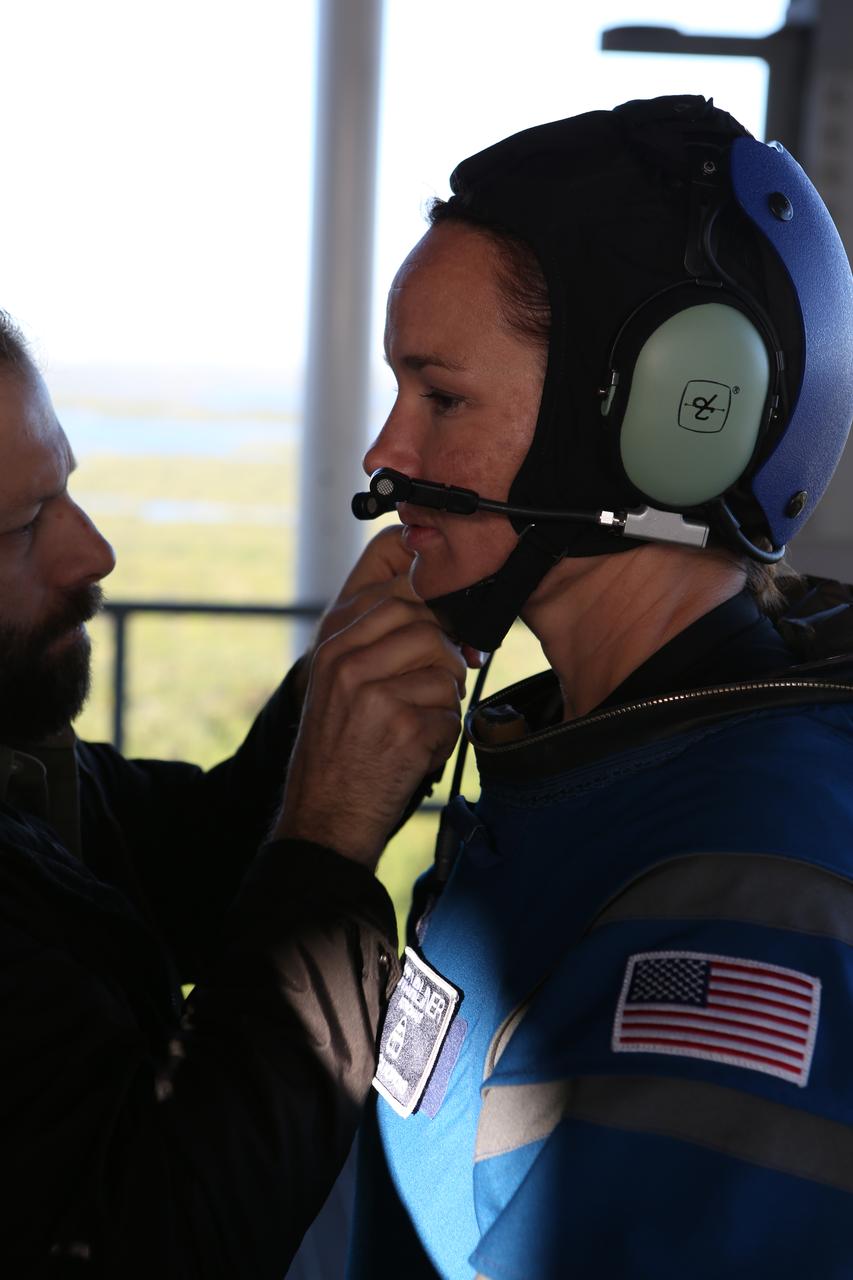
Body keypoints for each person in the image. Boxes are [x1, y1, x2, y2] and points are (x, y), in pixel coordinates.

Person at [308, 96, 853, 1277]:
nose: (385, 454)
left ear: (668, 426)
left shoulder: (743, 884)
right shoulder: (585, 760)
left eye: (440, 396)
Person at [0, 314, 469, 1276]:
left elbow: (174, 865)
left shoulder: (21, 770)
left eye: (65, 492)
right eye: (17, 529)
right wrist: (329, 840)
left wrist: (328, 697)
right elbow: (166, 1237)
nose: (91, 554)